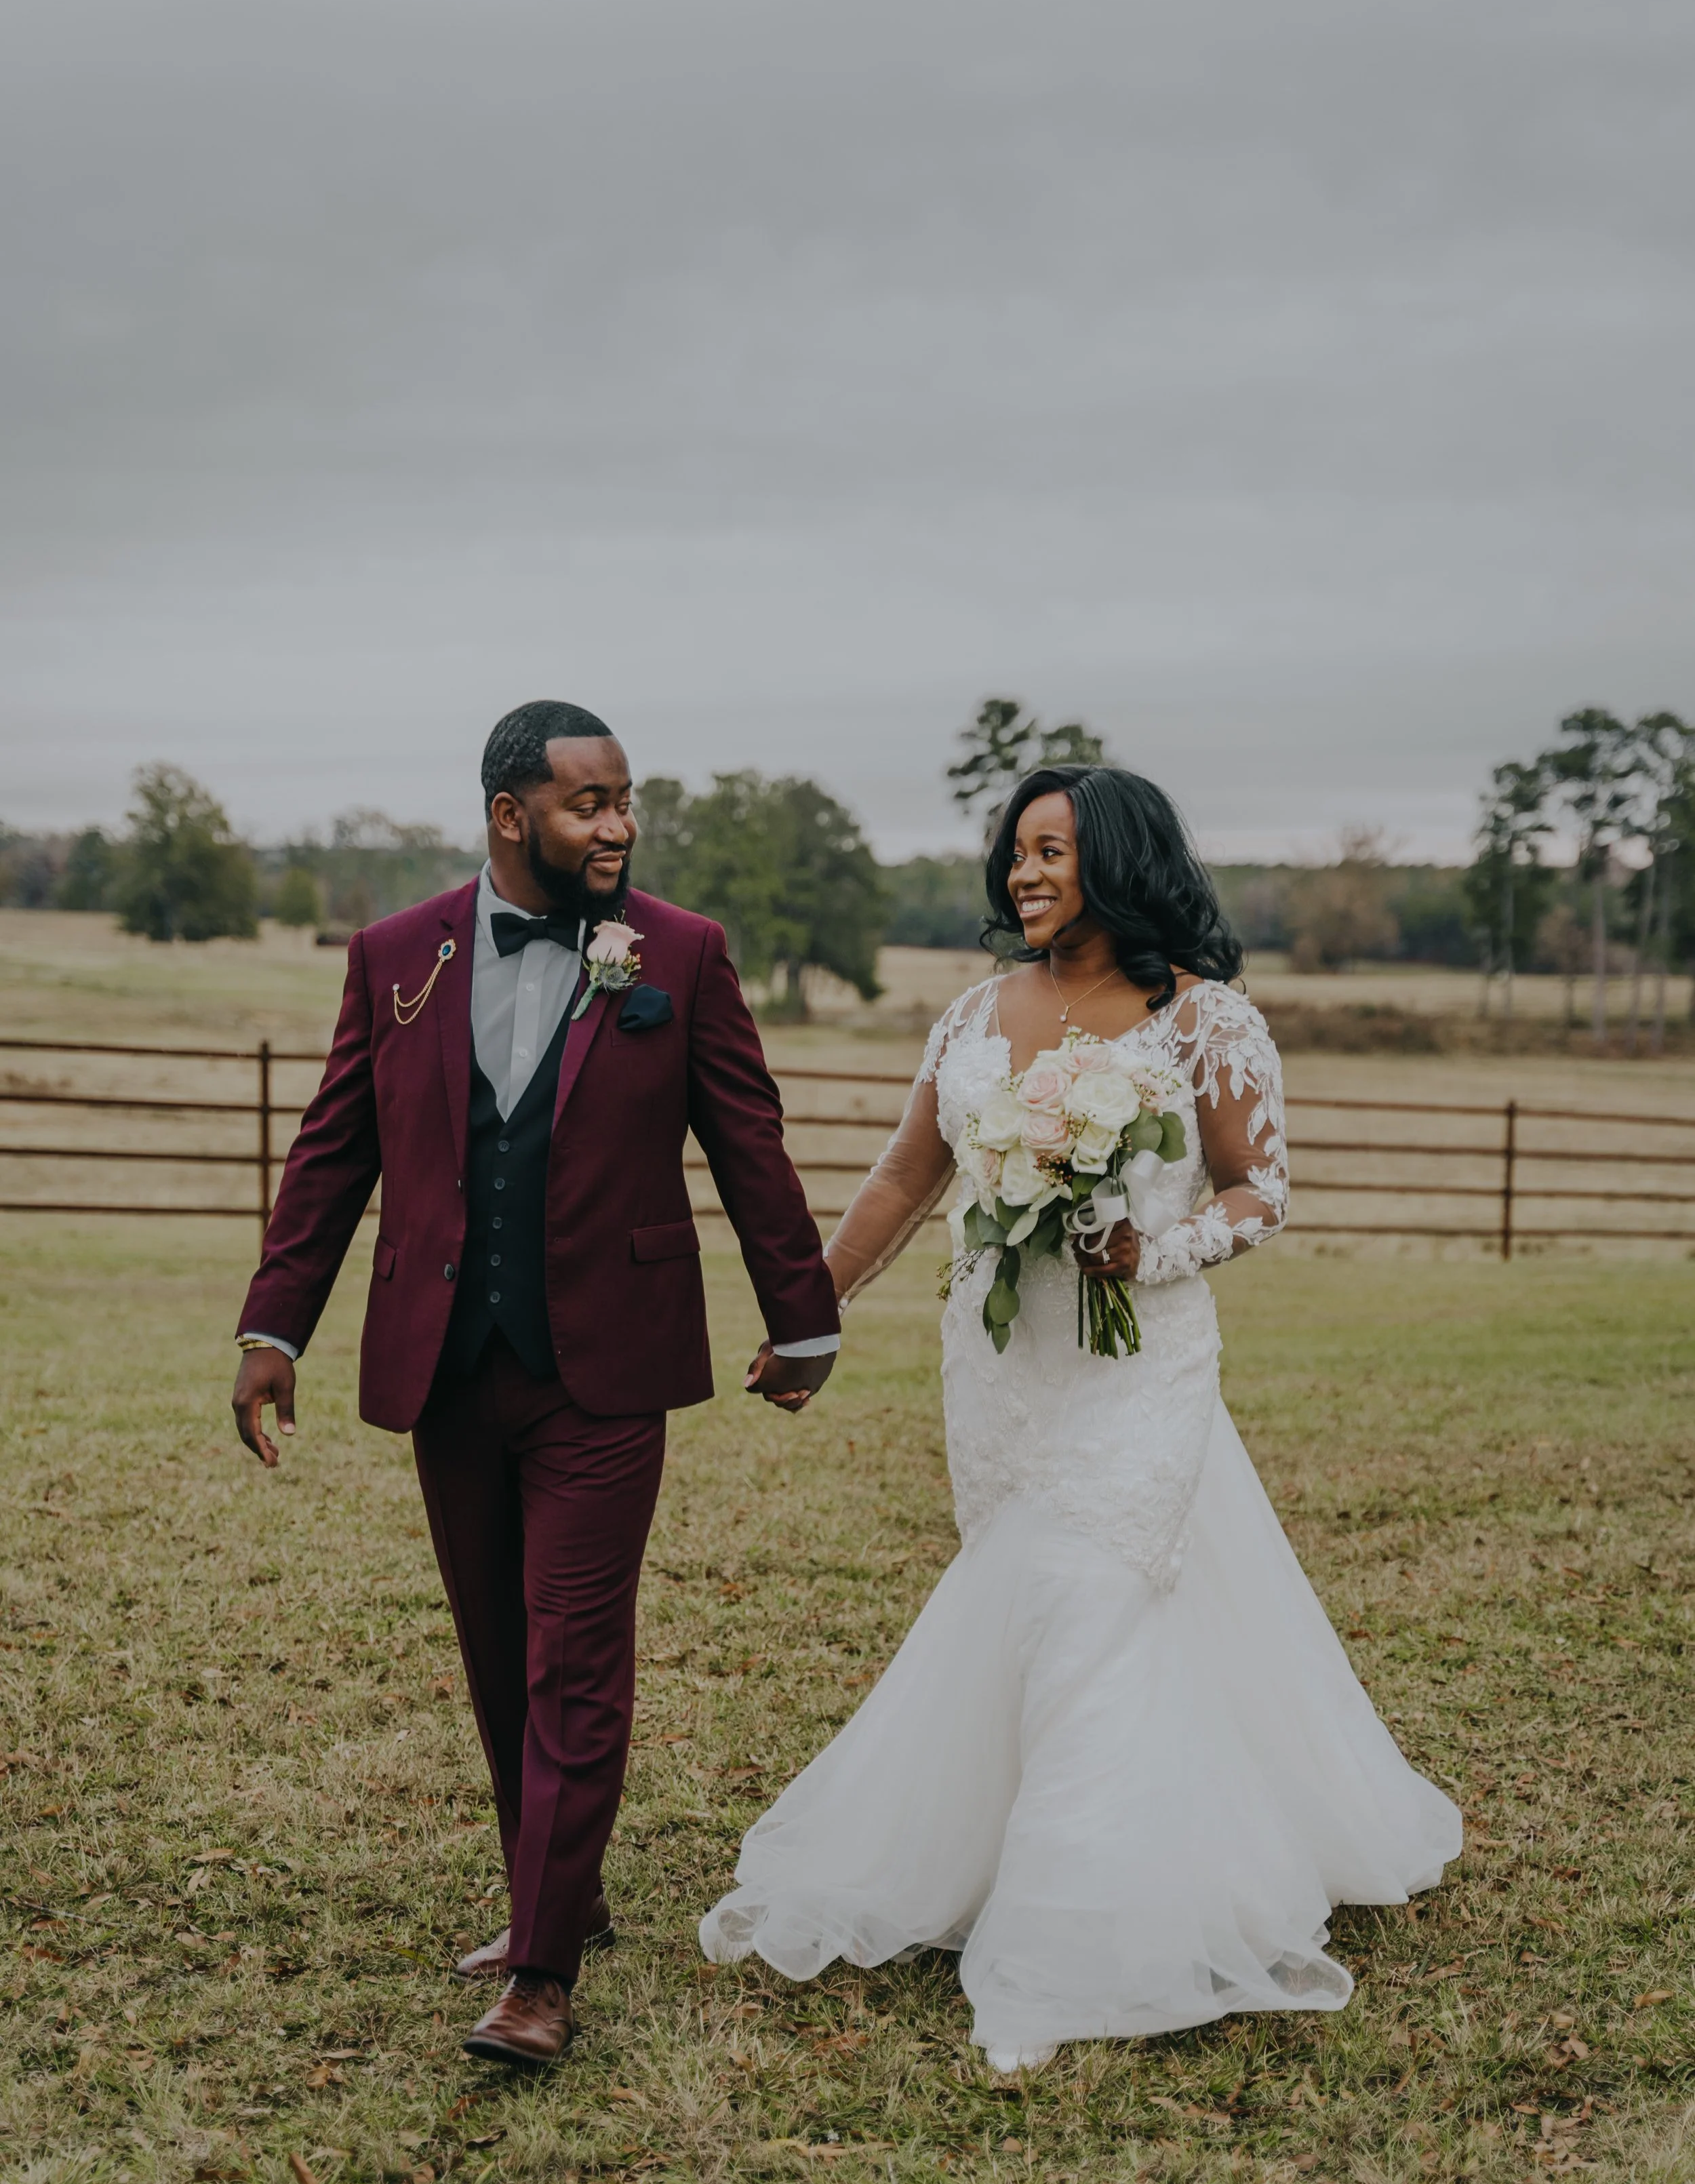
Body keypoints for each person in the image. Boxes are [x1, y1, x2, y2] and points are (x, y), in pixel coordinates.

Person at [700, 765, 1460, 2071]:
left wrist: (1146, 1253)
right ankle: (1015, 1853)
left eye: (1051, 850)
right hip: (1002, 1364)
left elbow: (1259, 1191)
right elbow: (903, 1177)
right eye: (1015, 852)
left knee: (1097, 1586)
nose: (1023, 874)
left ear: (1119, 859)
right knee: (1033, 1598)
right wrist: (812, 1312)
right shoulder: (976, 1014)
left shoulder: (1208, 1022)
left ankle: (1086, 1928)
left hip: (1138, 1364)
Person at [232, 700, 839, 2069]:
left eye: (625, 800)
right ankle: (563, 1884)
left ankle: (542, 1972)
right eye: (587, 804)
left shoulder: (677, 954)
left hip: (604, 1367)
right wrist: (275, 1326)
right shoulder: (397, 956)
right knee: (500, 1653)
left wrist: (799, 1318)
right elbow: (336, 1150)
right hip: (446, 1366)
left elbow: (749, 1141)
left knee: (574, 1654)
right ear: (511, 815)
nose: (617, 825)